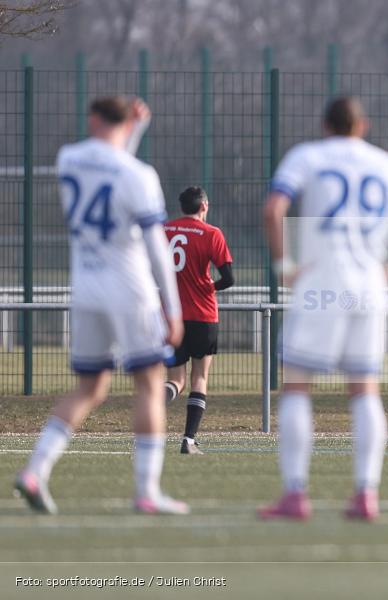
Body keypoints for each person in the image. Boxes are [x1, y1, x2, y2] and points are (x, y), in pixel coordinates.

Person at [259, 97, 388, 521]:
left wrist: (284, 265)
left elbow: (273, 208)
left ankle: (295, 494)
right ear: (363, 125)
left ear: (324, 124)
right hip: (369, 287)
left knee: (298, 386)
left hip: (321, 283)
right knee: (364, 391)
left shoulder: (307, 156)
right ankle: (365, 494)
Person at [14, 96, 187, 515]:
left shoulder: (68, 158)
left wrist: (132, 132)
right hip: (130, 290)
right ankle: (147, 491)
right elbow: (155, 245)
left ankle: (35, 470)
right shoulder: (139, 173)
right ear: (127, 122)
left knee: (90, 387)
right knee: (149, 384)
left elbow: (107, 171)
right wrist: (173, 306)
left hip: (86, 290)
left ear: (92, 118)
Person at [163, 186, 234, 455]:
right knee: (199, 378)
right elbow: (228, 279)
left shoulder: (164, 231)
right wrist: (208, 288)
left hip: (171, 317)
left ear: (181, 207)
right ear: (204, 205)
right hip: (203, 316)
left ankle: (152, 408)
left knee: (176, 381)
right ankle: (189, 440)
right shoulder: (211, 234)